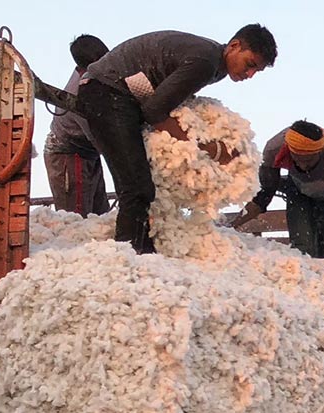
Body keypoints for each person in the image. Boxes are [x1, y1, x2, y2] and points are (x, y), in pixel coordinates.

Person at [77, 25, 277, 252]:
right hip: (106, 92)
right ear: (234, 46)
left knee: (144, 184)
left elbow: (164, 100)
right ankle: (128, 254)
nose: (249, 75)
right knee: (136, 186)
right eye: (250, 64)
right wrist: (205, 148)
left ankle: (143, 246)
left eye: (256, 72)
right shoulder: (206, 62)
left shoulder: (215, 64)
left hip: (121, 94)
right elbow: (154, 111)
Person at [232, 120, 324, 308]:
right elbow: (263, 197)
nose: (303, 164)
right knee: (303, 249)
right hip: (298, 191)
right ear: (289, 150)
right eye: (298, 158)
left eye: (309, 160)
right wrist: (232, 227)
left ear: (320, 153)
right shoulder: (274, 149)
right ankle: (303, 304)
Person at [44, 35, 111, 217]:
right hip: (69, 155)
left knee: (100, 217)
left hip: (89, 151)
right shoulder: (81, 93)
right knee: (76, 219)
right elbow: (103, 141)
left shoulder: (102, 76)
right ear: (84, 69)